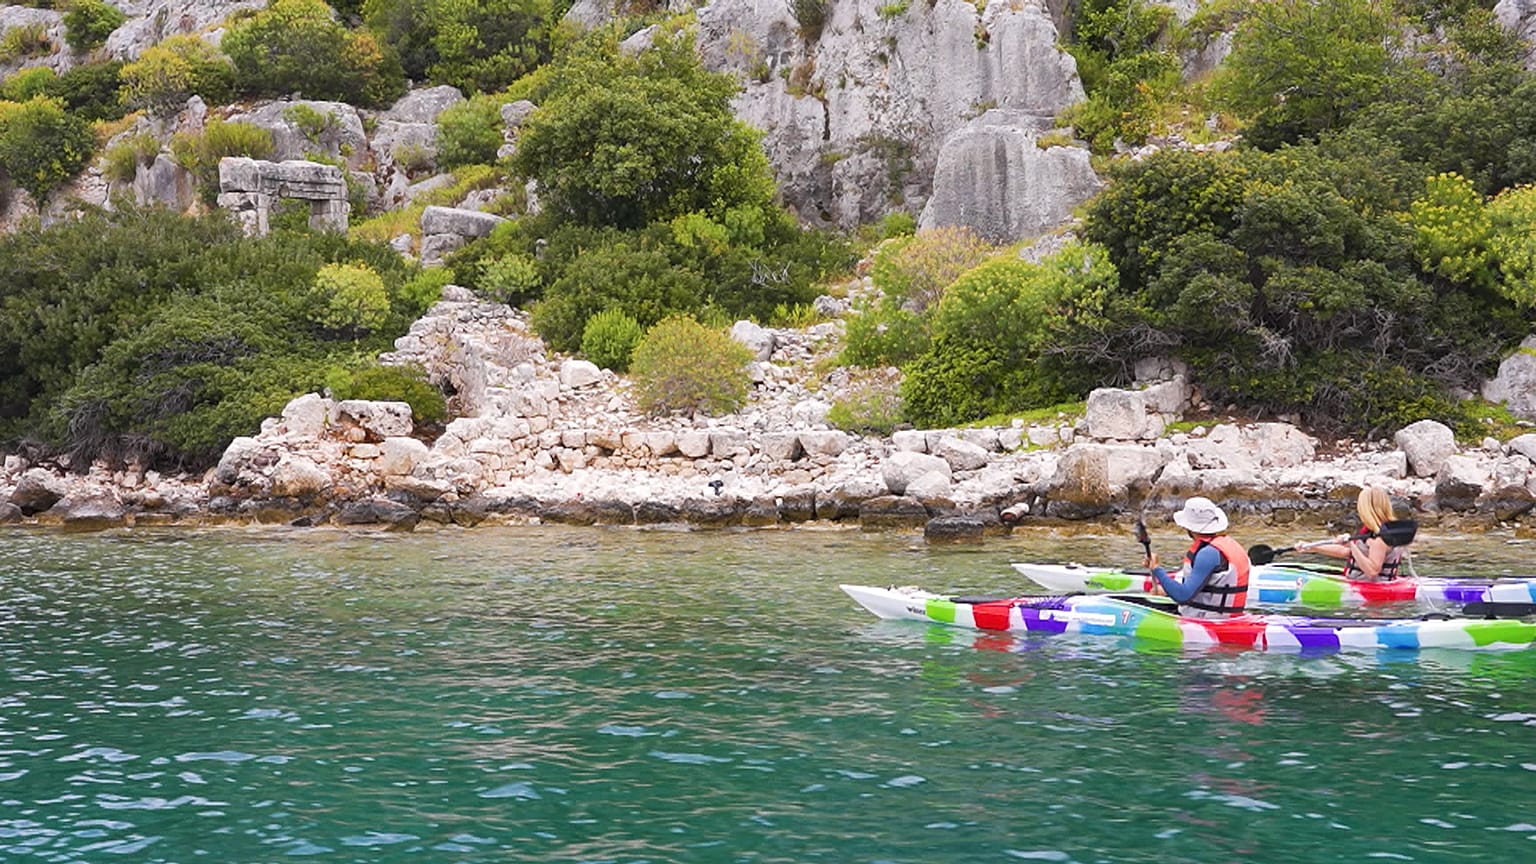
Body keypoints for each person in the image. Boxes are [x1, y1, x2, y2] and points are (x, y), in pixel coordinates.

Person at [1143, 496, 1251, 619]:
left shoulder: (1208, 554)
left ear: (1190, 528)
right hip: (1230, 618)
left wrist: (1157, 569)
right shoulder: (1228, 545)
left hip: (1208, 621)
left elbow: (1183, 596)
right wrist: (1166, 591)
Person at [1299, 487, 1407, 582]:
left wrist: (1352, 545)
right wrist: (1311, 547)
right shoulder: (1374, 532)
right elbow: (1346, 552)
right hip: (1362, 585)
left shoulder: (1379, 539)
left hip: (1373, 593)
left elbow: (1372, 571)